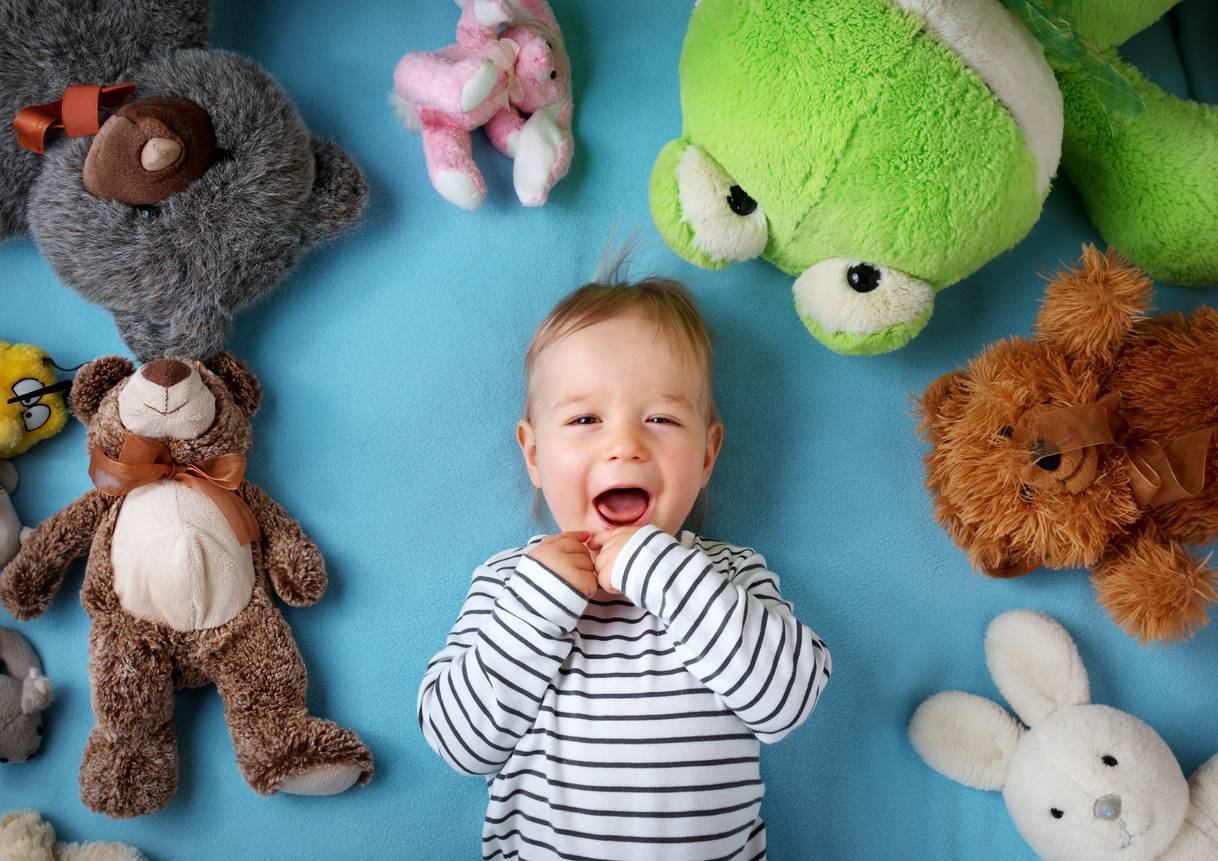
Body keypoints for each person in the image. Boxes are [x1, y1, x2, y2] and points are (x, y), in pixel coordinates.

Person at [418, 260, 831, 860]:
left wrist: (659, 569)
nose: (624, 445)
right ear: (534, 454)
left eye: (661, 419)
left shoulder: (730, 577)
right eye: (585, 420)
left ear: (708, 454)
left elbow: (787, 704)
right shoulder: (511, 584)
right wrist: (540, 603)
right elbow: (460, 745)